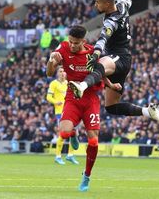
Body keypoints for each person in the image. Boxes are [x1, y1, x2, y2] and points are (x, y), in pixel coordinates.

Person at [68, 0, 159, 126]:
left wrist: (95, 54)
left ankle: (82, 86)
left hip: (119, 57)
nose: (95, 5)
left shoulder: (111, 21)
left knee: (97, 64)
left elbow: (103, 38)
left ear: (107, 4)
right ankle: (147, 112)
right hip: (120, 60)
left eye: (97, 2)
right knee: (112, 107)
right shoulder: (123, 6)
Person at [47, 25, 121, 192]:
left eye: (76, 43)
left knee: (93, 141)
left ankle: (86, 176)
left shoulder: (92, 53)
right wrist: (52, 61)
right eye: (71, 41)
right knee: (64, 133)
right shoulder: (63, 48)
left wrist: (110, 84)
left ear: (83, 41)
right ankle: (73, 133)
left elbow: (100, 72)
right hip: (72, 97)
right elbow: (49, 73)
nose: (72, 45)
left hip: (90, 99)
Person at [46, 66, 79, 165]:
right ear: (57, 73)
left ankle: (70, 155)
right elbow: (48, 97)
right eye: (60, 71)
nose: (62, 73)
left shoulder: (68, 83)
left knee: (74, 133)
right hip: (60, 112)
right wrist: (56, 102)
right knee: (63, 133)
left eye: (64, 71)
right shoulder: (54, 84)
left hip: (71, 112)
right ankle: (58, 156)